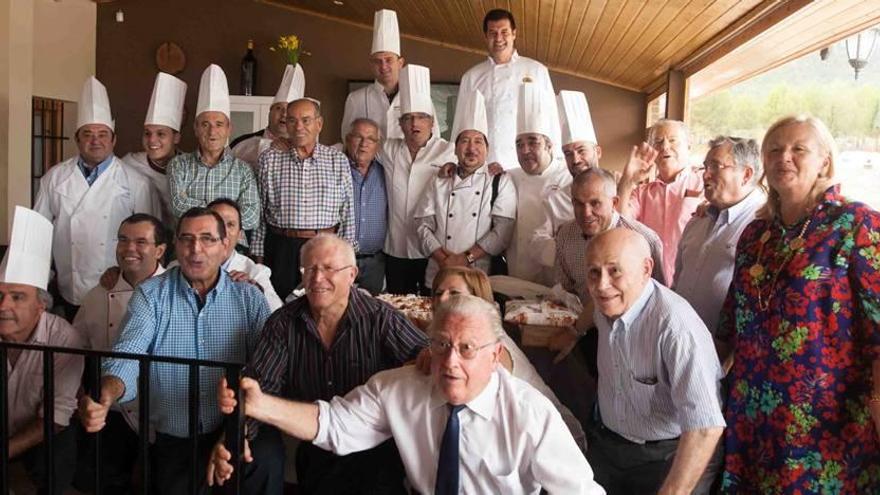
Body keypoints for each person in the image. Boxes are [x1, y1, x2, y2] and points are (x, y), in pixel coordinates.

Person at [209, 295, 606, 494]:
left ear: (495, 356)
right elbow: (334, 424)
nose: (450, 362)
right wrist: (261, 405)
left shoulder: (529, 413)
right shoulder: (399, 386)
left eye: (467, 348)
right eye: (441, 345)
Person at [717, 116, 880, 493]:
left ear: (824, 161)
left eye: (798, 149)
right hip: (752, 416)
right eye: (774, 149)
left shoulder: (857, 226)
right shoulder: (757, 234)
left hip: (823, 425)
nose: (783, 157)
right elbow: (732, 318)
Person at [78, 207, 271, 494]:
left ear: (225, 245)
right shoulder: (151, 294)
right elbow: (129, 352)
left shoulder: (249, 297)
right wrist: (105, 394)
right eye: (187, 239)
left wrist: (241, 427)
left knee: (265, 465)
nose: (196, 249)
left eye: (207, 239)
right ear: (175, 246)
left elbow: (266, 369)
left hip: (238, 427)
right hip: (176, 437)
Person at [216, 234, 428, 494]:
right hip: (311, 438)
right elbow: (260, 387)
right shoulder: (284, 323)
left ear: (352, 274)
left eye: (329, 269)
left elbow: (428, 356)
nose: (317, 279)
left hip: (372, 443)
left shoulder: (381, 318)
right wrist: (240, 435)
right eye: (310, 269)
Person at [585, 228, 725, 494]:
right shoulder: (606, 304)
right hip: (609, 446)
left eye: (615, 271)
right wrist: (571, 333)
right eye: (594, 272)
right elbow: (591, 308)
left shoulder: (676, 327)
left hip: (668, 456)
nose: (602, 285)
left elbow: (706, 427)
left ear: (646, 269)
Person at [34, 76, 159, 318]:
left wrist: (126, 273)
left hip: (120, 287)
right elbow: (39, 234)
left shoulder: (136, 182)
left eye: (103, 134)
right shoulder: (54, 178)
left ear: (114, 139)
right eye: (88, 134)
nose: (95, 140)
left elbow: (150, 241)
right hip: (69, 289)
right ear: (77, 139)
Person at [430, 265, 586, 450]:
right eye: (438, 294)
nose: (443, 300)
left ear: (478, 299)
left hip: (554, 439)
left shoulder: (487, 345)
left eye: (454, 293)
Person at [72, 213, 167, 492]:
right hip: (112, 409)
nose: (129, 249)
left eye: (141, 242)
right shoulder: (98, 294)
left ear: (160, 250)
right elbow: (73, 348)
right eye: (123, 240)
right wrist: (78, 393)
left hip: (163, 411)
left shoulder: (175, 288)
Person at [1, 207, 84, 495]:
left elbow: (57, 416)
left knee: (59, 451)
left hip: (42, 433)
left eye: (17, 297)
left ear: (41, 305)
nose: (3, 307)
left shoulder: (63, 338)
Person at [251, 98, 356, 300]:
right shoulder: (269, 159)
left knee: (321, 303)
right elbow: (260, 213)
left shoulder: (337, 160)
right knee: (279, 307)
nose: (299, 127)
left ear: (319, 124)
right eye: (292, 120)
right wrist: (258, 257)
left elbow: (348, 213)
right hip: (281, 247)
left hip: (324, 246)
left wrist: (347, 259)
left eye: (306, 120)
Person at [415, 89, 516, 287]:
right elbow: (422, 225)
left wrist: (464, 259)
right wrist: (443, 259)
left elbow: (502, 231)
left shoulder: (499, 181)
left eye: (478, 141)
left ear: (487, 149)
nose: (471, 148)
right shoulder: (439, 179)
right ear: (455, 148)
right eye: (465, 141)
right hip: (438, 271)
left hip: (477, 274)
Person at [673, 136, 764, 334]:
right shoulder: (698, 219)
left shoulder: (762, 226)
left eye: (715, 166)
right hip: (679, 340)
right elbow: (678, 277)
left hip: (727, 353)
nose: (706, 175)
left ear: (746, 174)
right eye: (705, 167)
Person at [378, 64, 455, 294]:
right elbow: (356, 145)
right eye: (408, 118)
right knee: (397, 306)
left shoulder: (448, 151)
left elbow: (476, 169)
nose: (414, 124)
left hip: (432, 249)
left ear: (432, 122)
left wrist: (493, 166)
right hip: (395, 247)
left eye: (421, 117)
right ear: (400, 124)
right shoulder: (388, 149)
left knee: (429, 307)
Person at [456, 8, 560, 171]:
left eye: (504, 32)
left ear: (514, 34)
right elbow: (461, 124)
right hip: (486, 165)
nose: (498, 38)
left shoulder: (536, 70)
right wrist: (454, 161)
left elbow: (552, 118)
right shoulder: (471, 77)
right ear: (486, 36)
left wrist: (557, 162)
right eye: (493, 33)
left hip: (528, 164)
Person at [167, 64, 261, 241]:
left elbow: (252, 216)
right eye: (205, 124)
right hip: (189, 247)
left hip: (234, 251)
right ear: (195, 128)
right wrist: (228, 217)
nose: (212, 132)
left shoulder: (243, 170)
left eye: (219, 124)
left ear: (228, 129)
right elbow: (178, 206)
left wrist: (198, 210)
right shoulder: (178, 165)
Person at [555, 168, 665, 305]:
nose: (586, 213)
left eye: (595, 203)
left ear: (614, 203)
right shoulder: (566, 235)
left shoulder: (645, 239)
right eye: (579, 204)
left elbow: (658, 296)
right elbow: (566, 288)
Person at [617, 118, 703, 285]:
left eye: (672, 140)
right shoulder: (642, 192)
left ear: (688, 146)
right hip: (650, 281)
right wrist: (628, 179)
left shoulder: (704, 183)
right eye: (658, 141)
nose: (664, 146)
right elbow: (619, 221)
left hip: (691, 281)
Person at [340, 9, 438, 142]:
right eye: (377, 61)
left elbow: (434, 137)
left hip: (409, 162)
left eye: (388, 60)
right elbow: (347, 138)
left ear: (400, 63)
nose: (383, 66)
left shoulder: (420, 96)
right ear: (371, 65)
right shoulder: (355, 99)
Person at [507, 81, 571, 286]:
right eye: (519, 144)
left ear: (550, 145)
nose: (525, 150)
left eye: (533, 142)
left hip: (554, 277)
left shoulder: (568, 177)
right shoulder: (510, 177)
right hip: (516, 271)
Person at [532, 90, 603, 269]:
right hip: (569, 286)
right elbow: (537, 242)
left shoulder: (618, 190)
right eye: (568, 154)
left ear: (598, 152)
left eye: (581, 150)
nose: (575, 159)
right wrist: (575, 247)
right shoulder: (554, 200)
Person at [123, 72, 187, 230]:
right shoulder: (129, 164)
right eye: (147, 133)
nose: (152, 140)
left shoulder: (191, 167)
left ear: (176, 138)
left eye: (161, 134)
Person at [232, 63, 305, 171]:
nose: (284, 114)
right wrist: (269, 146)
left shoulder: (306, 150)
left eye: (290, 111)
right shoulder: (241, 144)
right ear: (270, 112)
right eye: (279, 108)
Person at [345, 118, 387, 295]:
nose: (364, 144)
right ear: (347, 139)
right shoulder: (335, 168)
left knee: (371, 313)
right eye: (358, 137)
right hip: (342, 260)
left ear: (377, 145)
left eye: (371, 139)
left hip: (375, 262)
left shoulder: (385, 172)